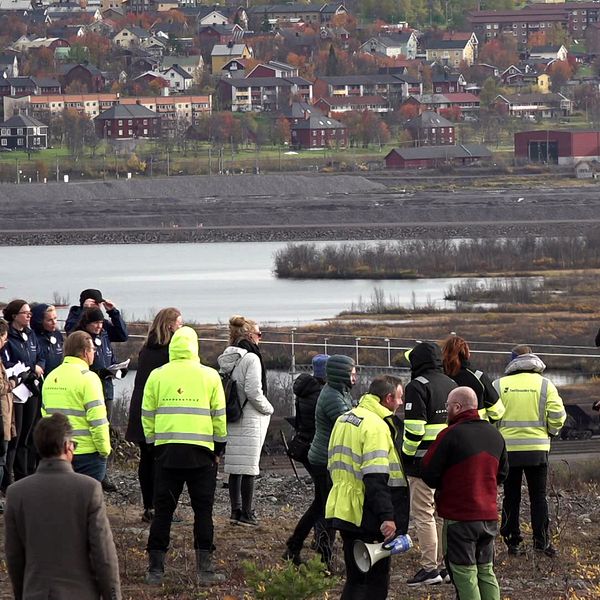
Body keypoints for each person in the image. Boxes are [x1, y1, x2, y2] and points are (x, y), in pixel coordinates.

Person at [142, 326, 227, 585]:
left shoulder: (157, 375)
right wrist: (218, 449)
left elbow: (147, 414)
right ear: (195, 346)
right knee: (203, 511)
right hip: (202, 454)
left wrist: (152, 446)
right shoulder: (210, 376)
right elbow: (219, 417)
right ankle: (205, 571)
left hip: (167, 453)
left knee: (163, 512)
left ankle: (155, 570)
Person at [4, 413, 121, 600]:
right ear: (67, 446)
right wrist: (113, 596)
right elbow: (103, 555)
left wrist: (22, 593)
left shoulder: (17, 493)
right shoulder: (89, 489)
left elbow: (14, 556)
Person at [326, 375, 409, 600]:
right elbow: (375, 478)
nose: (401, 403)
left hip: (343, 507)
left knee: (355, 577)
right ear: (388, 398)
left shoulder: (344, 419)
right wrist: (387, 516)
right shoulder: (376, 427)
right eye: (399, 398)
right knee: (375, 582)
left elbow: (332, 464)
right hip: (368, 512)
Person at [422, 387, 509, 600]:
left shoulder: (449, 435)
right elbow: (503, 473)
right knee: (486, 571)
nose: (446, 410)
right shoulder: (494, 434)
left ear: (457, 407)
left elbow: (428, 472)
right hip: (488, 516)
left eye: (448, 406)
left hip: (459, 518)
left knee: (464, 574)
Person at [493, 345, 566, 557]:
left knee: (511, 496)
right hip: (537, 449)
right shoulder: (546, 385)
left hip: (508, 451)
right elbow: (558, 415)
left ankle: (512, 541)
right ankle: (541, 542)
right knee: (539, 497)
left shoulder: (499, 385)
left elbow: (491, 416)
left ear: (512, 361)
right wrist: (550, 432)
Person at [402, 341, 457, 587]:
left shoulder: (416, 386)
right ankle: (444, 566)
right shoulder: (452, 384)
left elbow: (414, 429)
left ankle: (429, 569)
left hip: (422, 463)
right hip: (449, 461)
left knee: (423, 514)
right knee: (441, 514)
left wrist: (406, 456)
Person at [125, 307, 183, 523]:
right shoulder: (169, 352)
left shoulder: (146, 348)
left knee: (147, 460)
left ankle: (149, 506)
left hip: (141, 406)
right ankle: (160, 508)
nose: (181, 326)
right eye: (179, 322)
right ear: (170, 325)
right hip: (158, 409)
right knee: (161, 461)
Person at [217, 315, 274, 527]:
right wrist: (268, 408)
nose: (260, 338)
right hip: (250, 416)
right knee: (249, 466)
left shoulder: (228, 357)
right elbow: (253, 391)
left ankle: (235, 511)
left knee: (234, 466)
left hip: (233, 414)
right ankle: (247, 513)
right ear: (250, 335)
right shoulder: (252, 358)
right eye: (259, 334)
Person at [41, 331, 111, 482]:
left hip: (58, 450)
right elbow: (97, 420)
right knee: (86, 501)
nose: (94, 353)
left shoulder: (51, 376)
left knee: (60, 500)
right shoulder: (89, 378)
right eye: (93, 350)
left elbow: (44, 414)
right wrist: (104, 450)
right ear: (85, 352)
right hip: (87, 453)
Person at [307, 353, 356, 568]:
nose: (355, 377)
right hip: (324, 459)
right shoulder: (333, 398)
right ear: (340, 374)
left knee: (323, 505)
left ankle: (318, 545)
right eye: (351, 373)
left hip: (326, 458)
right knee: (328, 507)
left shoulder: (339, 392)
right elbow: (349, 423)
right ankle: (324, 556)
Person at [74, 301, 127, 492]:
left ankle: (103, 472)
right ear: (87, 323)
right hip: (90, 388)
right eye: (95, 323)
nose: (99, 326)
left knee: (105, 427)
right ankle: (94, 470)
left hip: (106, 388)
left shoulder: (104, 335)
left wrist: (117, 369)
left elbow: (122, 336)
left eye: (101, 323)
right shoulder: (81, 339)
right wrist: (99, 373)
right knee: (93, 428)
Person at [283, 353, 329, 564]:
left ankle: (302, 544)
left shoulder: (306, 391)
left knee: (322, 499)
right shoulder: (321, 395)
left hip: (306, 448)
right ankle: (305, 545)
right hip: (318, 451)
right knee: (323, 501)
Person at [2, 299, 44, 486]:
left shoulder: (31, 334)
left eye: (30, 313)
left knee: (28, 434)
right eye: (25, 313)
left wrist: (38, 366)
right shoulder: (8, 336)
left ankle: (26, 474)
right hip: (17, 389)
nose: (29, 316)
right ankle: (10, 479)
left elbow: (40, 355)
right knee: (15, 438)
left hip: (31, 388)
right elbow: (7, 362)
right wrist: (25, 369)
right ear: (14, 316)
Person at [441, 336, 505, 423]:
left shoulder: (437, 378)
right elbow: (498, 412)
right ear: (467, 353)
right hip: (476, 430)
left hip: (445, 433)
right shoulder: (478, 377)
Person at [0, 319, 15, 494]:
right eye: (4, 339)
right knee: (1, 458)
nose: (5, 343)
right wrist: (12, 382)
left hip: (4, 413)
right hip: (1, 416)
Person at [31, 304, 64, 376]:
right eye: (49, 320)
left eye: (55, 318)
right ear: (39, 321)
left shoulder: (57, 334)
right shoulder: (32, 337)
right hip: (41, 378)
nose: (54, 322)